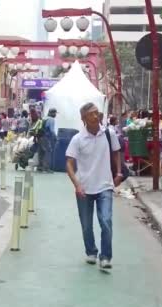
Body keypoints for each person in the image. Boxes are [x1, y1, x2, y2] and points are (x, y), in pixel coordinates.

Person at [66, 102, 122, 270]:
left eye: (97, 113)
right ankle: (91, 251)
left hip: (105, 185)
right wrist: (77, 184)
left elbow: (116, 152)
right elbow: (69, 163)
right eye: (91, 114)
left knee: (106, 220)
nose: (96, 116)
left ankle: (105, 256)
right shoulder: (78, 139)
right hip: (84, 187)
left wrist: (118, 173)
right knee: (86, 224)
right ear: (84, 118)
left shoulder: (108, 133)